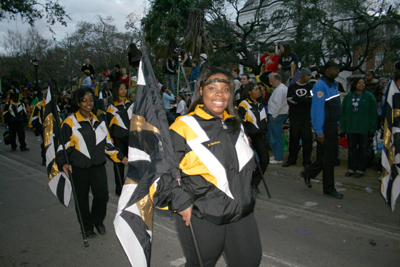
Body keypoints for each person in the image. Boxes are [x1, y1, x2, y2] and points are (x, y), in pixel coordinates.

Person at [168, 67, 262, 267]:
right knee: (203, 263)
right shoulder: (183, 126)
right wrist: (181, 201)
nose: (220, 93)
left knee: (249, 262)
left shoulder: (236, 125)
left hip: (241, 212)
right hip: (203, 213)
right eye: (212, 87)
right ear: (201, 91)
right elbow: (163, 171)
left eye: (225, 88)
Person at [57, 87, 128, 238]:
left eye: (90, 100)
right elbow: (62, 146)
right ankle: (87, 228)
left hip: (98, 167)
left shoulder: (100, 121)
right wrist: (63, 162)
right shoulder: (70, 122)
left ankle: (97, 221)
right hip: (79, 168)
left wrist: (120, 157)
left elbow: (107, 144)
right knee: (82, 200)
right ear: (78, 103)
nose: (88, 103)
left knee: (102, 196)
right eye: (84, 100)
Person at [300, 60, 343, 198]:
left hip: (332, 124)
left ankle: (308, 173)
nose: (338, 71)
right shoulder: (320, 86)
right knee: (329, 158)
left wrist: (337, 123)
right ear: (327, 70)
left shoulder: (333, 85)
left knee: (328, 156)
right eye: (335, 68)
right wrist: (319, 131)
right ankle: (329, 188)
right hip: (325, 125)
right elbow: (317, 110)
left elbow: (335, 107)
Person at [340, 78, 377, 178]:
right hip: (351, 128)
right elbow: (343, 113)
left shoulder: (369, 96)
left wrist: (372, 129)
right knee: (351, 149)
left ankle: (361, 170)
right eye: (359, 82)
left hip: (364, 129)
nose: (361, 84)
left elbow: (373, 114)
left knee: (363, 150)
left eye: (363, 83)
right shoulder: (348, 97)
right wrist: (342, 128)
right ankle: (351, 168)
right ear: (354, 84)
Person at [106, 81, 134, 196]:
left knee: (133, 163)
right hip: (119, 139)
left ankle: (133, 186)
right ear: (116, 91)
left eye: (125, 88)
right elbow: (108, 126)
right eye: (120, 88)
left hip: (132, 138)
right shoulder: (111, 108)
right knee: (119, 163)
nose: (123, 90)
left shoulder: (132, 104)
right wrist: (110, 138)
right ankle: (119, 188)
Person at [238, 82, 269, 187]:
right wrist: (246, 135)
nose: (258, 91)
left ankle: (254, 182)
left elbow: (264, 120)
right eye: (255, 89)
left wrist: (264, 130)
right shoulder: (243, 104)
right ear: (249, 92)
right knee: (248, 162)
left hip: (259, 136)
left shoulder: (260, 104)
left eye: (259, 89)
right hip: (249, 137)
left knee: (265, 160)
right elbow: (241, 122)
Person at [283, 68, 313, 168]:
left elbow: (311, 100)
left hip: (306, 118)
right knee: (294, 139)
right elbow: (289, 100)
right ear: (302, 76)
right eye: (308, 76)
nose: (309, 77)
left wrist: (297, 99)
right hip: (294, 118)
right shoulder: (292, 87)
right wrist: (303, 100)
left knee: (307, 140)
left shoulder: (311, 87)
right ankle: (292, 159)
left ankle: (307, 161)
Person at [267, 73, 289, 164]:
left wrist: (274, 116)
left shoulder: (280, 90)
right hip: (278, 114)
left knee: (275, 136)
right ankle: (276, 155)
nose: (271, 84)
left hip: (276, 115)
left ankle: (278, 157)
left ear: (277, 80)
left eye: (272, 82)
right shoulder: (282, 88)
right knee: (275, 135)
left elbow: (278, 104)